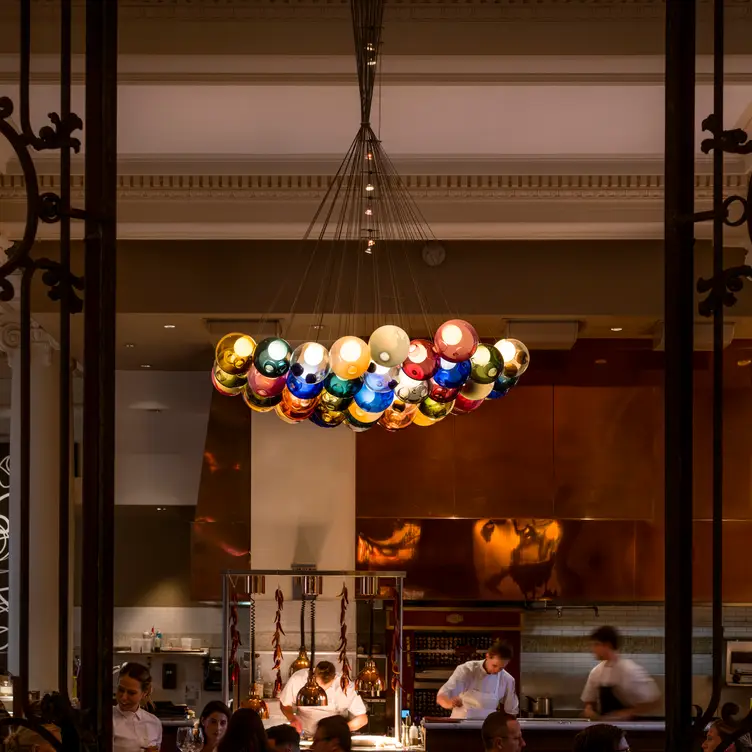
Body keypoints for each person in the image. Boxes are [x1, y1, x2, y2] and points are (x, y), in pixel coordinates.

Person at [581, 626, 660, 720]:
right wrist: (588, 709)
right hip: (604, 726)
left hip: (628, 728)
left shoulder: (630, 670)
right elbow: (589, 700)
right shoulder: (596, 672)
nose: (593, 649)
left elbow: (653, 701)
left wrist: (626, 713)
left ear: (607, 645)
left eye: (596, 644)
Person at [279, 661, 367, 736]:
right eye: (318, 687)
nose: (320, 693)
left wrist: (341, 730)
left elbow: (362, 719)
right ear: (313, 676)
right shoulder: (297, 679)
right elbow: (285, 704)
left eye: (324, 689)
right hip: (303, 735)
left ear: (334, 678)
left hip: (331, 738)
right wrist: (292, 718)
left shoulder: (345, 685)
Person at [436, 640, 519, 719]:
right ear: (487, 656)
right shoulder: (467, 669)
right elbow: (442, 696)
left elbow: (511, 711)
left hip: (488, 727)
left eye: (501, 668)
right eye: (494, 665)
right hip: (460, 724)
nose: (497, 670)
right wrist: (450, 703)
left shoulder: (507, 679)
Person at [113, 663, 163, 752]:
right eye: (121, 690)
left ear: (144, 693)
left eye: (131, 693)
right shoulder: (106, 720)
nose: (123, 697)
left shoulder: (154, 723)